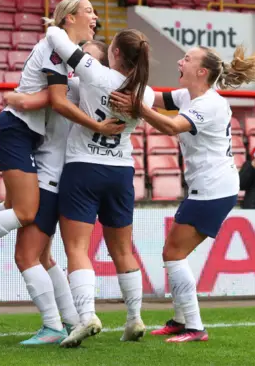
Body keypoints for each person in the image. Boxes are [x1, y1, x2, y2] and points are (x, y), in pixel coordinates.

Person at [0, 0, 122, 337]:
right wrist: (25, 99)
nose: (96, 17)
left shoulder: (79, 73)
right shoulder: (62, 56)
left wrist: (21, 98)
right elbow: (54, 98)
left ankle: (62, 322)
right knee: (27, 229)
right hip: (28, 142)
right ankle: (65, 321)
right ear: (69, 19)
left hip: (45, 161)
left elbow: (51, 98)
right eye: (89, 12)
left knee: (25, 227)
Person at [111, 44, 255, 343]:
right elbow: (154, 97)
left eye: (186, 59)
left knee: (173, 253)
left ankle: (195, 328)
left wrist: (137, 108)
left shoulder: (209, 103)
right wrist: (120, 75)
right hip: (209, 187)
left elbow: (172, 126)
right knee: (175, 252)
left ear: (202, 72)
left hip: (213, 189)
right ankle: (181, 319)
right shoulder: (189, 95)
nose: (179, 61)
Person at [43, 25, 155, 347]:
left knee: (77, 248)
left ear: (115, 52)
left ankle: (87, 315)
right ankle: (134, 318)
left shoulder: (97, 74)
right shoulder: (145, 93)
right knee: (122, 249)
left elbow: (56, 38)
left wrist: (57, 23)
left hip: (84, 167)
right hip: (121, 172)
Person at [3, 40, 110, 345]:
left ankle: (52, 326)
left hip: (50, 179)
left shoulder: (69, 87)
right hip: (67, 179)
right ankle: (74, 319)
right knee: (45, 257)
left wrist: (13, 101)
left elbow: (28, 102)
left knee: (26, 256)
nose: (77, 61)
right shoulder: (98, 91)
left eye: (86, 57)